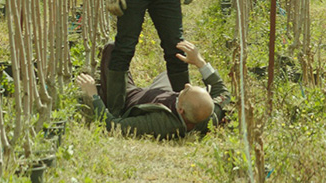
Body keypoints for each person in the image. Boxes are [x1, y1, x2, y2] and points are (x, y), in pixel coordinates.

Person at [75, 41, 229, 139]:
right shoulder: (207, 115)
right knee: (174, 69)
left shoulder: (159, 123)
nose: (187, 85)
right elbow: (223, 93)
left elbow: (113, 127)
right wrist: (200, 62)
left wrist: (93, 95)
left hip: (134, 98)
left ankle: (103, 90)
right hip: (162, 93)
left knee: (112, 49)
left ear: (181, 110)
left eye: (186, 92)